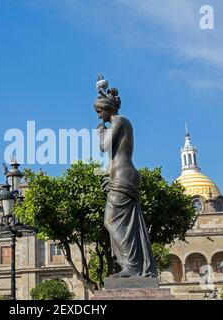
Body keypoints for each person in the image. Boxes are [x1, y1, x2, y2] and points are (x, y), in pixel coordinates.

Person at [95, 78, 157, 278]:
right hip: (120, 175)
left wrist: (100, 134)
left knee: (111, 221)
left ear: (108, 109)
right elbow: (113, 155)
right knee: (124, 223)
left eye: (99, 111)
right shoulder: (119, 123)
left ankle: (131, 266)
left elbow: (104, 146)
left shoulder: (120, 121)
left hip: (124, 175)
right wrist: (107, 175)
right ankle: (130, 266)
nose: (98, 116)